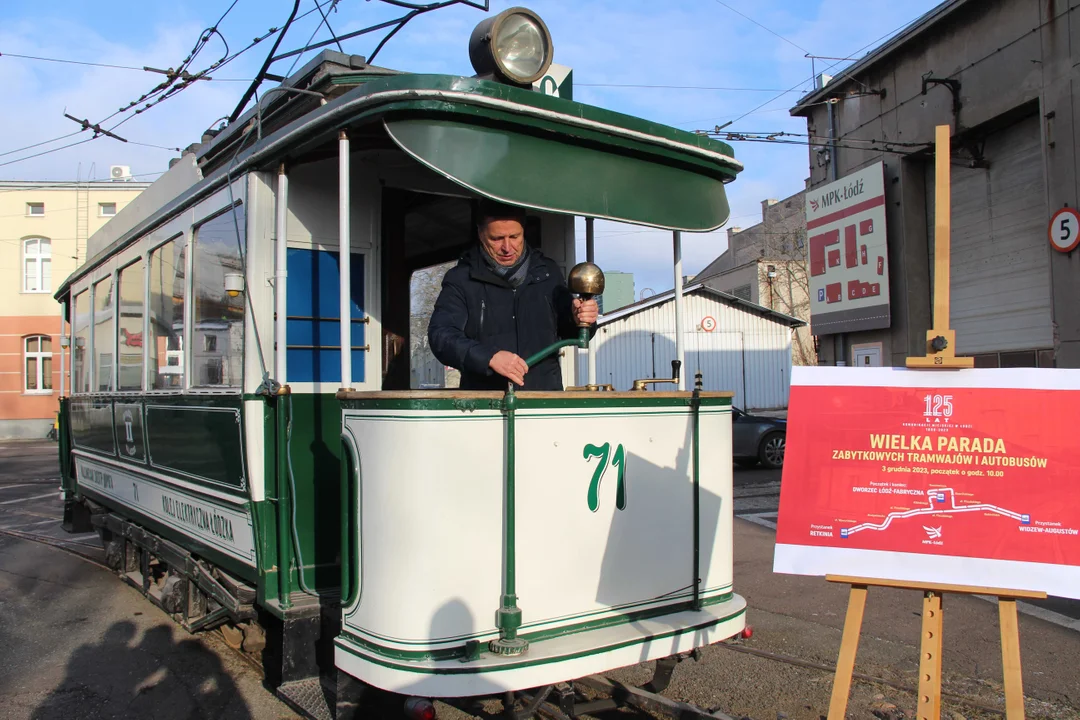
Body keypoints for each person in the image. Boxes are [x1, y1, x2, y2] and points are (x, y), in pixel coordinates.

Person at [428, 201, 598, 390]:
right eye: (497, 238)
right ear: (480, 233)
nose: (507, 247)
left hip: (544, 403)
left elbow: (573, 330)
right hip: (486, 406)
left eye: (514, 236)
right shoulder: (461, 279)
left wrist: (581, 319)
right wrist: (489, 358)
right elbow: (441, 336)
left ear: (524, 231)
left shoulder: (548, 273)